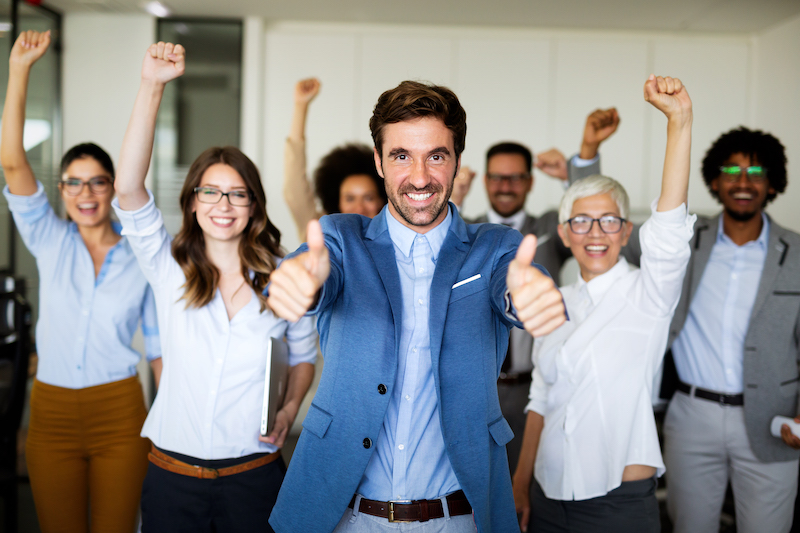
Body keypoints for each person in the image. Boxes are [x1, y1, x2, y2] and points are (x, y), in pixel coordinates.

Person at [267, 79, 566, 533]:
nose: (421, 177)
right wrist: (300, 284)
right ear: (379, 162)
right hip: (341, 516)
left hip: (458, 518)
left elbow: (517, 281)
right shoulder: (341, 239)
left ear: (457, 162)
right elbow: (314, 269)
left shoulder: (494, 247)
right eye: (402, 155)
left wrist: (528, 296)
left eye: (437, 156)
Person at [112, 42, 317, 532]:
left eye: (237, 193)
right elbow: (127, 188)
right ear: (192, 202)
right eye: (210, 190)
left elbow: (304, 358)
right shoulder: (169, 269)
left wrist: (289, 409)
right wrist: (152, 86)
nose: (223, 204)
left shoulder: (286, 277)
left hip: (255, 477)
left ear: (253, 206)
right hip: (172, 479)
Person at [512, 74, 694, 533]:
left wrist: (680, 123)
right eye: (583, 222)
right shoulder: (556, 302)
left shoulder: (649, 296)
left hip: (619, 502)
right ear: (566, 233)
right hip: (546, 494)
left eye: (609, 220)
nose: (596, 233)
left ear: (627, 231)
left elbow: (669, 232)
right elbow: (542, 397)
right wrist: (520, 481)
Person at [0, 30, 161, 532]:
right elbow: (11, 162)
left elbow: (158, 346)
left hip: (119, 410)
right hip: (49, 411)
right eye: (73, 182)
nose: (85, 192)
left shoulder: (144, 253)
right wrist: (20, 70)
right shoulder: (49, 238)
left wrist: (172, 423)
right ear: (62, 190)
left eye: (97, 181)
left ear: (114, 187)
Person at [661, 125, 800, 533]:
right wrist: (587, 159)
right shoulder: (684, 238)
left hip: (774, 421)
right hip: (690, 416)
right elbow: (607, 233)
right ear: (714, 180)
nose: (743, 183)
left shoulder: (797, 254)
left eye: (755, 172)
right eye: (732, 171)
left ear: (772, 182)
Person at [469, 109, 623, 474]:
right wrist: (454, 197)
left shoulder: (552, 229)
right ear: (485, 180)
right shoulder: (465, 231)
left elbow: (589, 213)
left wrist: (583, 157)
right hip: (476, 391)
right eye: (497, 177)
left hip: (537, 391)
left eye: (516, 177)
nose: (506, 186)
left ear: (530, 182)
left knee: (530, 491)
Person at [284, 77, 387, 241]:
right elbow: (294, 189)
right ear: (337, 202)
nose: (359, 208)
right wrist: (301, 106)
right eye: (350, 198)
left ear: (382, 200)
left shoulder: (394, 235)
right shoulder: (323, 231)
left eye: (368, 197)